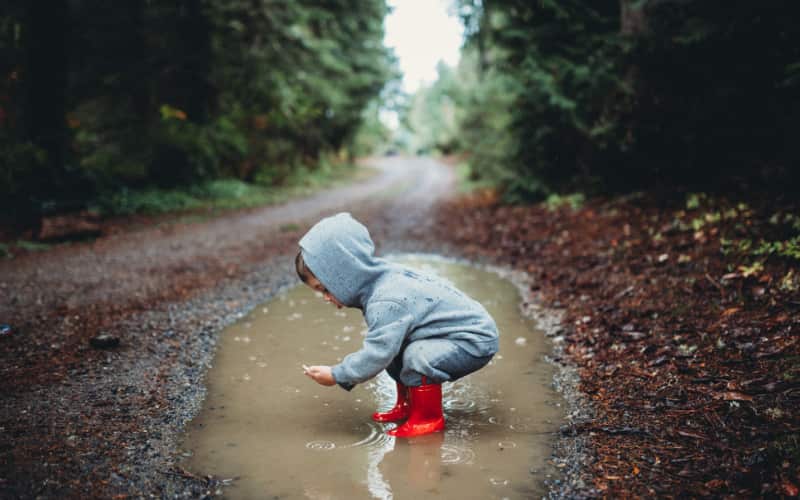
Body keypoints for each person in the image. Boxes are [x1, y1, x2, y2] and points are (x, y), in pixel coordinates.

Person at [297, 213, 499, 437]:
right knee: (397, 348)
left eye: (325, 288)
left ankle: (427, 418)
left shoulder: (385, 299)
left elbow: (376, 354)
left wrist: (337, 374)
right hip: (450, 334)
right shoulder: (377, 280)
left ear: (345, 275)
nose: (326, 298)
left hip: (474, 339)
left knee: (415, 355)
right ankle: (407, 405)